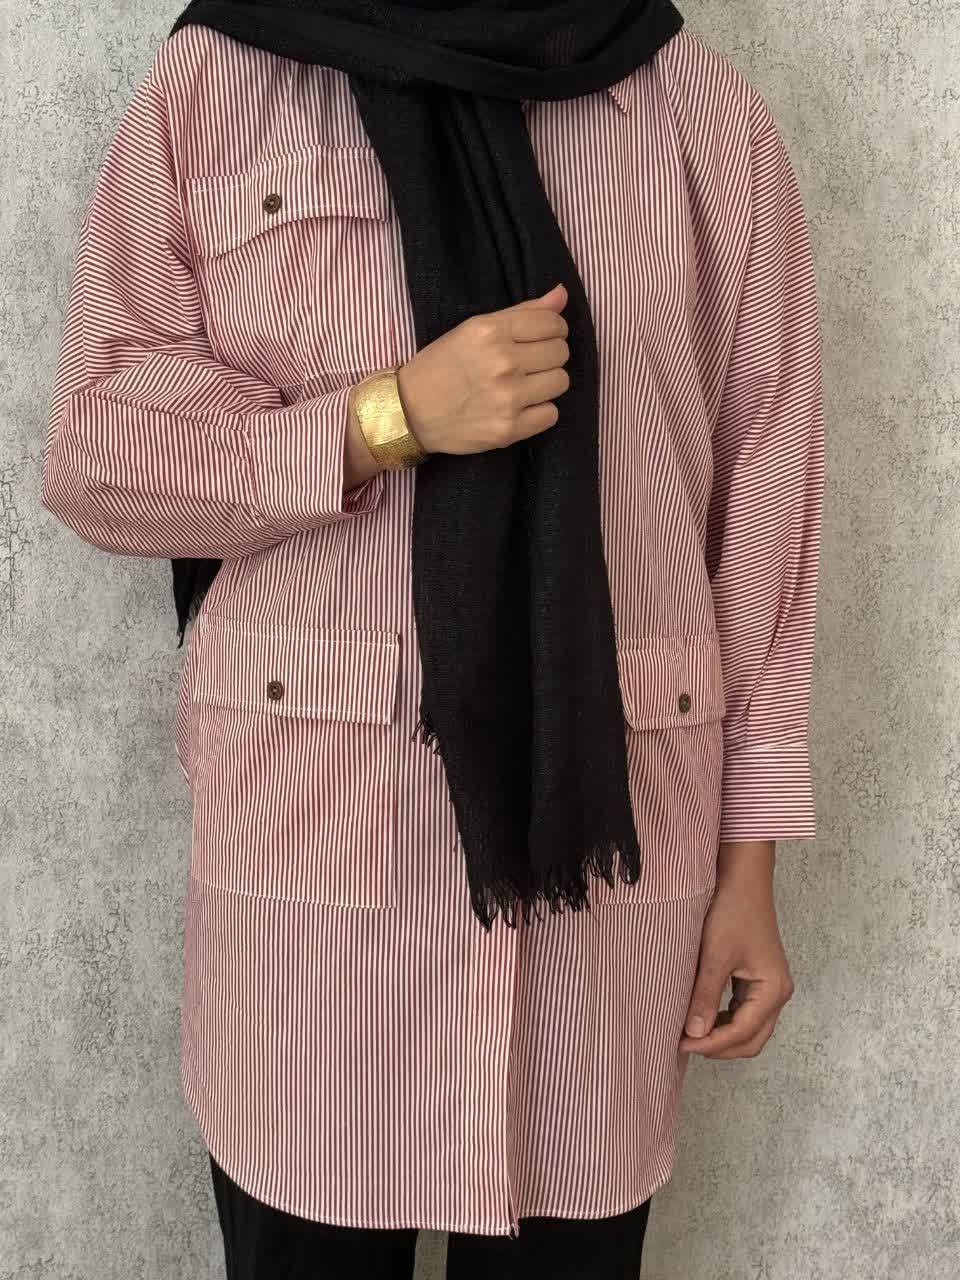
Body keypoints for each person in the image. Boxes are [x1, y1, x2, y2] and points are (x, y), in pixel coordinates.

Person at [41, 0, 825, 1275]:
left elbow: (768, 495)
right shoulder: (223, 80)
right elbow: (101, 455)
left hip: (609, 862)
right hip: (320, 862)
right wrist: (384, 417)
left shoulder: (693, 109)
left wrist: (754, 861)